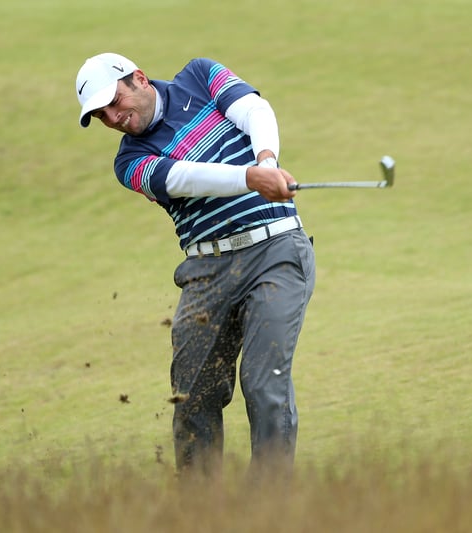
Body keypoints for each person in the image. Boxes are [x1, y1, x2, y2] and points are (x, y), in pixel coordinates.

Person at [75, 53, 316, 479]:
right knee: (193, 395)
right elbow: (184, 178)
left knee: (264, 383)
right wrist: (250, 178)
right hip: (207, 273)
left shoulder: (200, 76)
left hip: (276, 252)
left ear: (139, 79)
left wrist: (266, 161)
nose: (113, 118)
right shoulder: (129, 162)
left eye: (115, 102)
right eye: (101, 116)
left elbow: (254, 109)